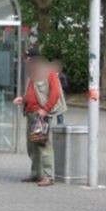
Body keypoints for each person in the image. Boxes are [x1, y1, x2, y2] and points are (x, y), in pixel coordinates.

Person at [14, 50, 66, 187]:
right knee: (32, 146)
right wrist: (24, 99)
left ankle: (48, 176)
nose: (25, 61)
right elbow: (34, 93)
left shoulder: (49, 73)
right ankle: (37, 173)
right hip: (31, 113)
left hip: (40, 115)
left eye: (27, 58)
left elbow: (56, 93)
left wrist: (46, 109)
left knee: (43, 145)